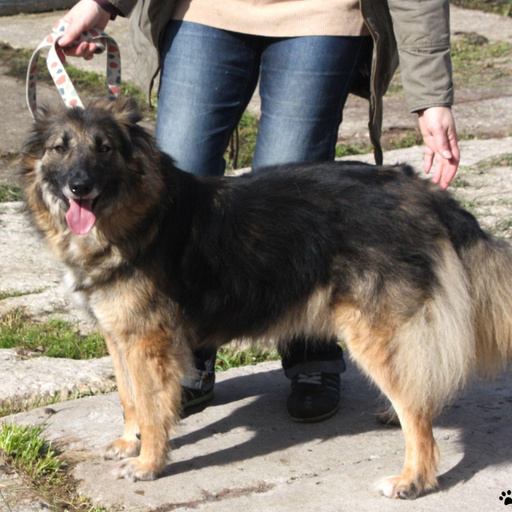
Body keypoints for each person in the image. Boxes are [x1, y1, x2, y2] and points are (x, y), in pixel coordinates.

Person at [55, 0, 460, 423]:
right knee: (175, 186)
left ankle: (309, 353)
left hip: (320, 15)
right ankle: (190, 352)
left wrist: (431, 93)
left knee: (293, 201)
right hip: (202, 12)